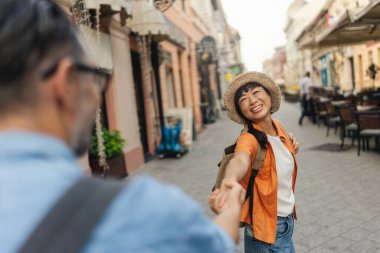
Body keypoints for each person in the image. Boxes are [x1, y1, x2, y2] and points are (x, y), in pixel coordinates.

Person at [0, 1, 245, 252]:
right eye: (94, 77)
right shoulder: (144, 214)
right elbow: (218, 243)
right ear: (66, 83)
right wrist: (233, 205)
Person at [209, 72, 300, 253]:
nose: (252, 100)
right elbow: (240, 159)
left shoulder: (279, 127)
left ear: (268, 95)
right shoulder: (248, 139)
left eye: (256, 92)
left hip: (285, 223)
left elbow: (276, 160)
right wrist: (230, 182)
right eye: (243, 99)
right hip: (264, 230)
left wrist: (291, 149)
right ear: (241, 110)